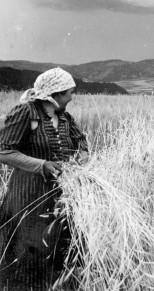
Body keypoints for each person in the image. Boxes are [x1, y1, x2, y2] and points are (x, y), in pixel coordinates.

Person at [0, 68, 88, 290]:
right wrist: (41, 165)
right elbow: (4, 151)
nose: (71, 97)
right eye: (69, 92)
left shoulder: (66, 118)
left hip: (60, 199)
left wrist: (80, 160)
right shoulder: (26, 113)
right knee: (27, 258)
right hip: (28, 198)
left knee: (57, 254)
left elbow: (82, 144)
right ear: (55, 94)